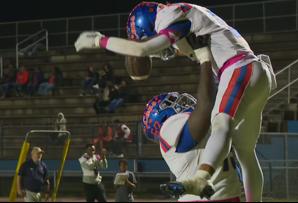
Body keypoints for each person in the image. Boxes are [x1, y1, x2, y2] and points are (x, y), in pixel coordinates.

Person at [75, 2, 276, 201]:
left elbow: (142, 49)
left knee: (220, 124)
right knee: (246, 154)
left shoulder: (170, 16)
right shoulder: (189, 15)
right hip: (259, 73)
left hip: (239, 68)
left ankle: (200, 178)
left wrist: (98, 40)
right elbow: (170, 49)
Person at [144, 34, 242, 201]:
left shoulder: (201, 122)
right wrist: (204, 59)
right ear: (162, 118)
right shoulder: (168, 129)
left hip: (228, 196)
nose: (180, 102)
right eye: (172, 103)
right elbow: (205, 105)